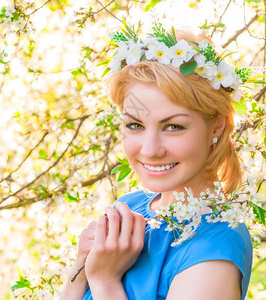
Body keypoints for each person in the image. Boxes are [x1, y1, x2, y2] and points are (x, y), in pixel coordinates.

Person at [59, 26, 253, 300]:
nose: (150, 151)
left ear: (216, 127)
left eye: (173, 127)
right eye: (135, 125)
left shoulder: (213, 251)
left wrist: (104, 281)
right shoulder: (131, 206)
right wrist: (82, 266)